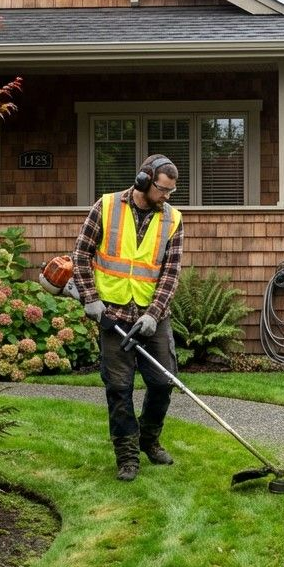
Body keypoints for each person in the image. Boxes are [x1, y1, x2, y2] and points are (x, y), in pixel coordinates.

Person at [72, 154, 184, 481]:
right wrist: (91, 299)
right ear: (143, 181)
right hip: (113, 313)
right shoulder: (105, 207)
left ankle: (150, 440)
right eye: (162, 190)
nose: (166, 196)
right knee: (119, 388)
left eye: (170, 192)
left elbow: (170, 273)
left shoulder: (172, 219)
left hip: (152, 316)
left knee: (162, 382)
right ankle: (127, 456)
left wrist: (153, 314)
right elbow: (80, 254)